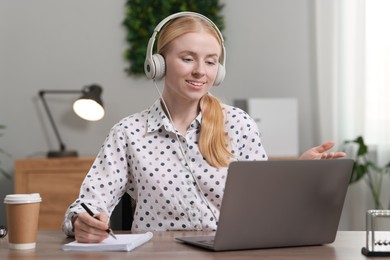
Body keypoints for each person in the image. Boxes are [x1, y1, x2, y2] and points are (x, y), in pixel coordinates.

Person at [62, 11, 346, 243]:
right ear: (158, 64)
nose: (201, 71)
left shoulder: (238, 125)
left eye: (210, 62)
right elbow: (89, 202)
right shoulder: (129, 132)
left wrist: (300, 175)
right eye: (188, 59)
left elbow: (264, 211)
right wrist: (81, 222)